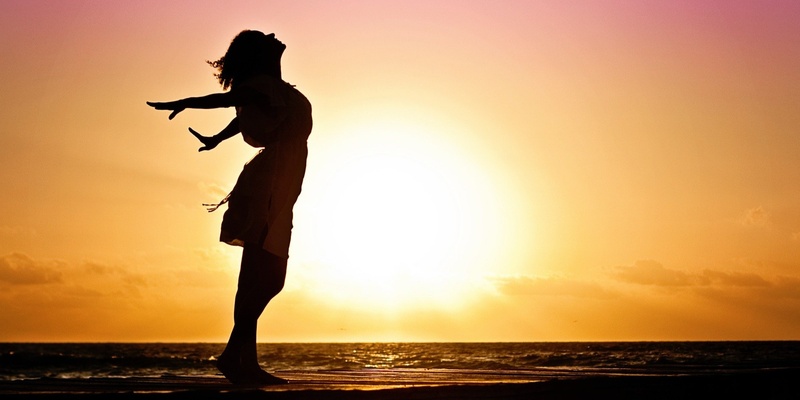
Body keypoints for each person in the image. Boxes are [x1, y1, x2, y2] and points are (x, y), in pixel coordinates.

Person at [147, 30, 312, 385]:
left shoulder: (274, 90)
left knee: (262, 276)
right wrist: (186, 102)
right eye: (264, 37)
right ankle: (237, 358)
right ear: (260, 53)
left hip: (278, 183)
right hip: (269, 185)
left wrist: (217, 139)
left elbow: (242, 115)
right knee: (265, 276)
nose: (272, 34)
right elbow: (225, 102)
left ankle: (239, 359)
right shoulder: (262, 84)